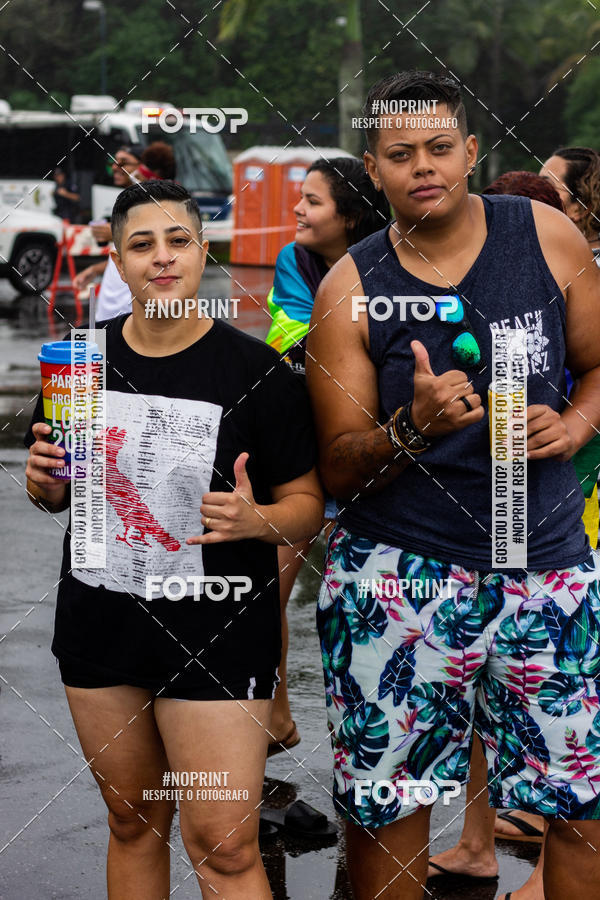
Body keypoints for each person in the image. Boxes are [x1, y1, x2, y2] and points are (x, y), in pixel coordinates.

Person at [306, 70, 600, 900]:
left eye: (440, 147)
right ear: (375, 168)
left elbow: (597, 362)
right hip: (400, 575)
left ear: (471, 152)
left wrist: (574, 426)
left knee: (581, 809)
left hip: (545, 566)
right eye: (401, 154)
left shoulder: (544, 236)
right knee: (388, 813)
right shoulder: (351, 289)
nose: (423, 166)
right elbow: (337, 463)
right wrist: (412, 427)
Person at [25, 180, 323, 898]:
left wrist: (258, 523)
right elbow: (53, 488)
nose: (162, 258)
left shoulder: (257, 375)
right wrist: (43, 483)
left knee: (222, 847)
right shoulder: (78, 364)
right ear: (118, 264)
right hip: (101, 629)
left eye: (178, 240)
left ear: (202, 253)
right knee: (133, 824)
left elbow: (308, 505)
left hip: (218, 633)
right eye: (142, 244)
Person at [427, 167, 600, 900]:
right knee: (491, 690)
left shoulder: (563, 274)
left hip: (565, 521)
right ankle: (480, 841)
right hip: (501, 516)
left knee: (569, 725)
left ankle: (538, 857)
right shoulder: (412, 279)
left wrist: (570, 423)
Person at [265, 157, 390, 754]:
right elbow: (285, 340)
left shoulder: (392, 261)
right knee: (267, 593)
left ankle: (371, 742)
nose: (298, 210)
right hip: (301, 451)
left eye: (312, 201)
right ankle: (277, 715)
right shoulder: (295, 260)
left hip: (371, 458)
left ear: (350, 215)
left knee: (368, 611)